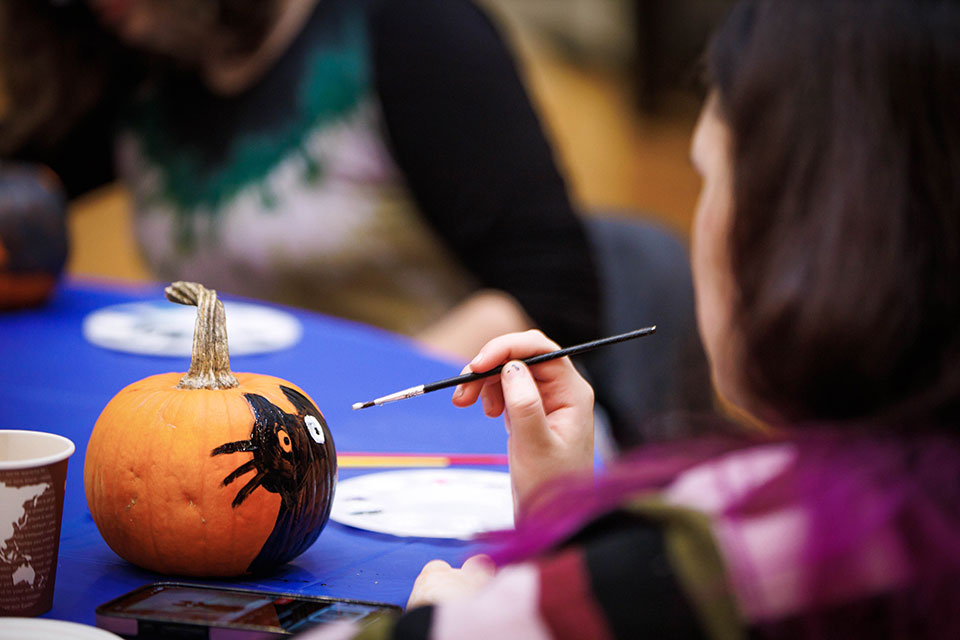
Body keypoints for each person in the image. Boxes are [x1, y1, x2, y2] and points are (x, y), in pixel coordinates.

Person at [299, 0, 960, 637]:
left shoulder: (706, 565)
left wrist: (455, 620)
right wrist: (561, 525)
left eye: (708, 176)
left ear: (811, 232)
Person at [0, 0, 711, 444]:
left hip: (433, 431)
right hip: (251, 437)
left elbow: (555, 294)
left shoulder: (410, 28)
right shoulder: (135, 52)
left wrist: (333, 412)